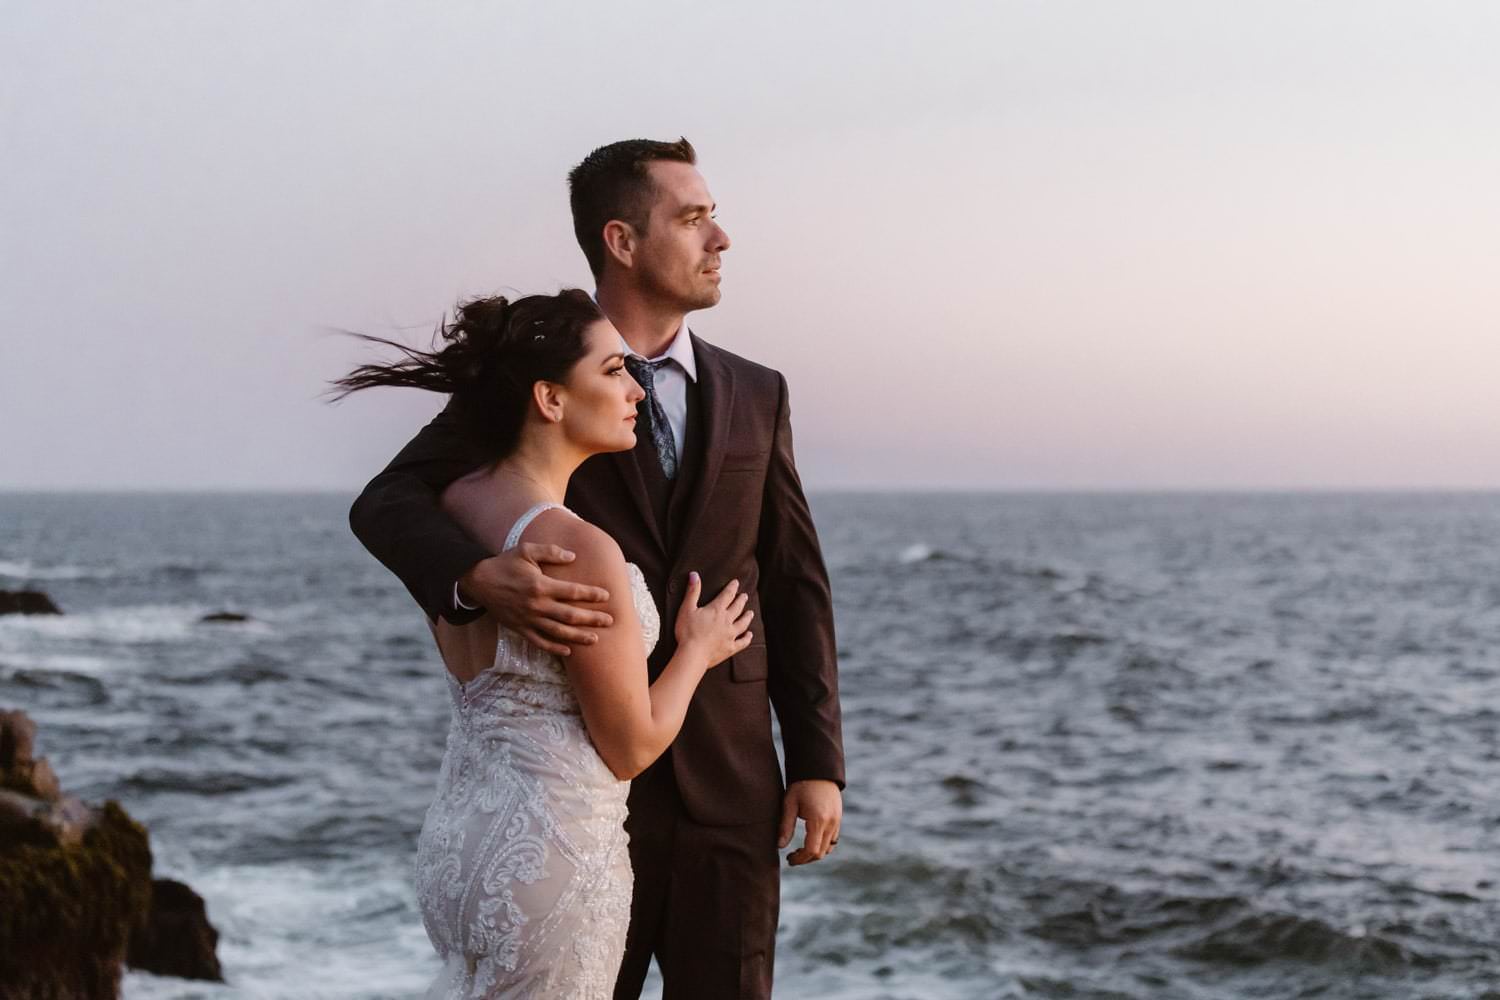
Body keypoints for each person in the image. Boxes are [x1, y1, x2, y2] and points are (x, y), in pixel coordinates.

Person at [349, 138, 844, 1000]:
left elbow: (793, 577)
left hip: (729, 786)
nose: (720, 239)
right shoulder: (547, 367)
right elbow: (388, 501)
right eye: (693, 219)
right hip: (578, 800)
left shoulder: (758, 392)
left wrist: (818, 758)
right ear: (622, 240)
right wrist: (475, 577)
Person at [334, 288, 755, 997]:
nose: (635, 391)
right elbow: (629, 746)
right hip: (552, 857)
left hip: (460, 847)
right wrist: (695, 649)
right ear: (550, 400)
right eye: (614, 371)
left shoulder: (455, 510)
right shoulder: (578, 548)